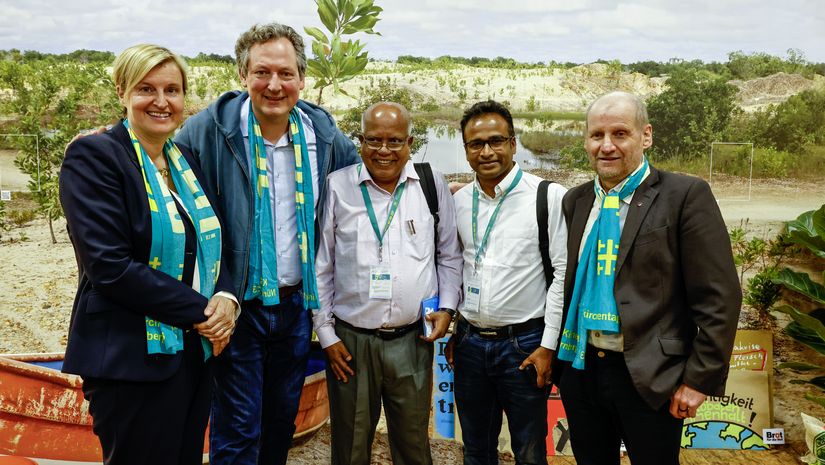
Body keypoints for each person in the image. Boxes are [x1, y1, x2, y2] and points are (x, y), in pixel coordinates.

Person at [174, 22, 359, 465]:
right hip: (235, 306)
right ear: (243, 75)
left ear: (301, 78)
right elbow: (161, 166)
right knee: (238, 430)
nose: (274, 85)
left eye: (285, 73)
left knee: (279, 425)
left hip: (297, 308)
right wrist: (112, 144)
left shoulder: (324, 135)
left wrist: (429, 189)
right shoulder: (208, 131)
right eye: (262, 73)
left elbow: (368, 176)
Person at [59, 44, 237, 465]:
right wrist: (204, 313)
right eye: (146, 89)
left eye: (172, 90)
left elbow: (211, 242)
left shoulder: (184, 160)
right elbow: (110, 267)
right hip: (130, 358)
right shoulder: (95, 156)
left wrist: (227, 297)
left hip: (194, 353)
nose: (161, 101)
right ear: (122, 91)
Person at [552, 91, 741, 465]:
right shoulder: (575, 201)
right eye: (596, 135)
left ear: (646, 136)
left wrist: (699, 379)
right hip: (582, 368)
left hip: (651, 375)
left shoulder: (684, 196)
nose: (606, 146)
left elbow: (719, 297)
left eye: (620, 133)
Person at [313, 102, 462, 465]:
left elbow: (449, 255)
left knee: (413, 444)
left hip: (412, 340)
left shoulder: (430, 184)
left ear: (410, 141)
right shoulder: (337, 187)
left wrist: (446, 308)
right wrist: (326, 334)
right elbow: (321, 267)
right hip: (351, 343)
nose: (383, 150)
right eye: (374, 140)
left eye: (395, 141)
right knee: (350, 446)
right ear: (359, 140)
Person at [447, 100, 568, 465]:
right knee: (476, 449)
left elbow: (562, 274)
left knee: (530, 451)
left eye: (496, 141)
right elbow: (454, 266)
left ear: (513, 144)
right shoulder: (459, 200)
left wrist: (548, 346)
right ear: (466, 149)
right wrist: (456, 326)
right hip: (469, 345)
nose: (487, 152)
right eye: (476, 143)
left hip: (525, 346)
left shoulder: (547, 197)